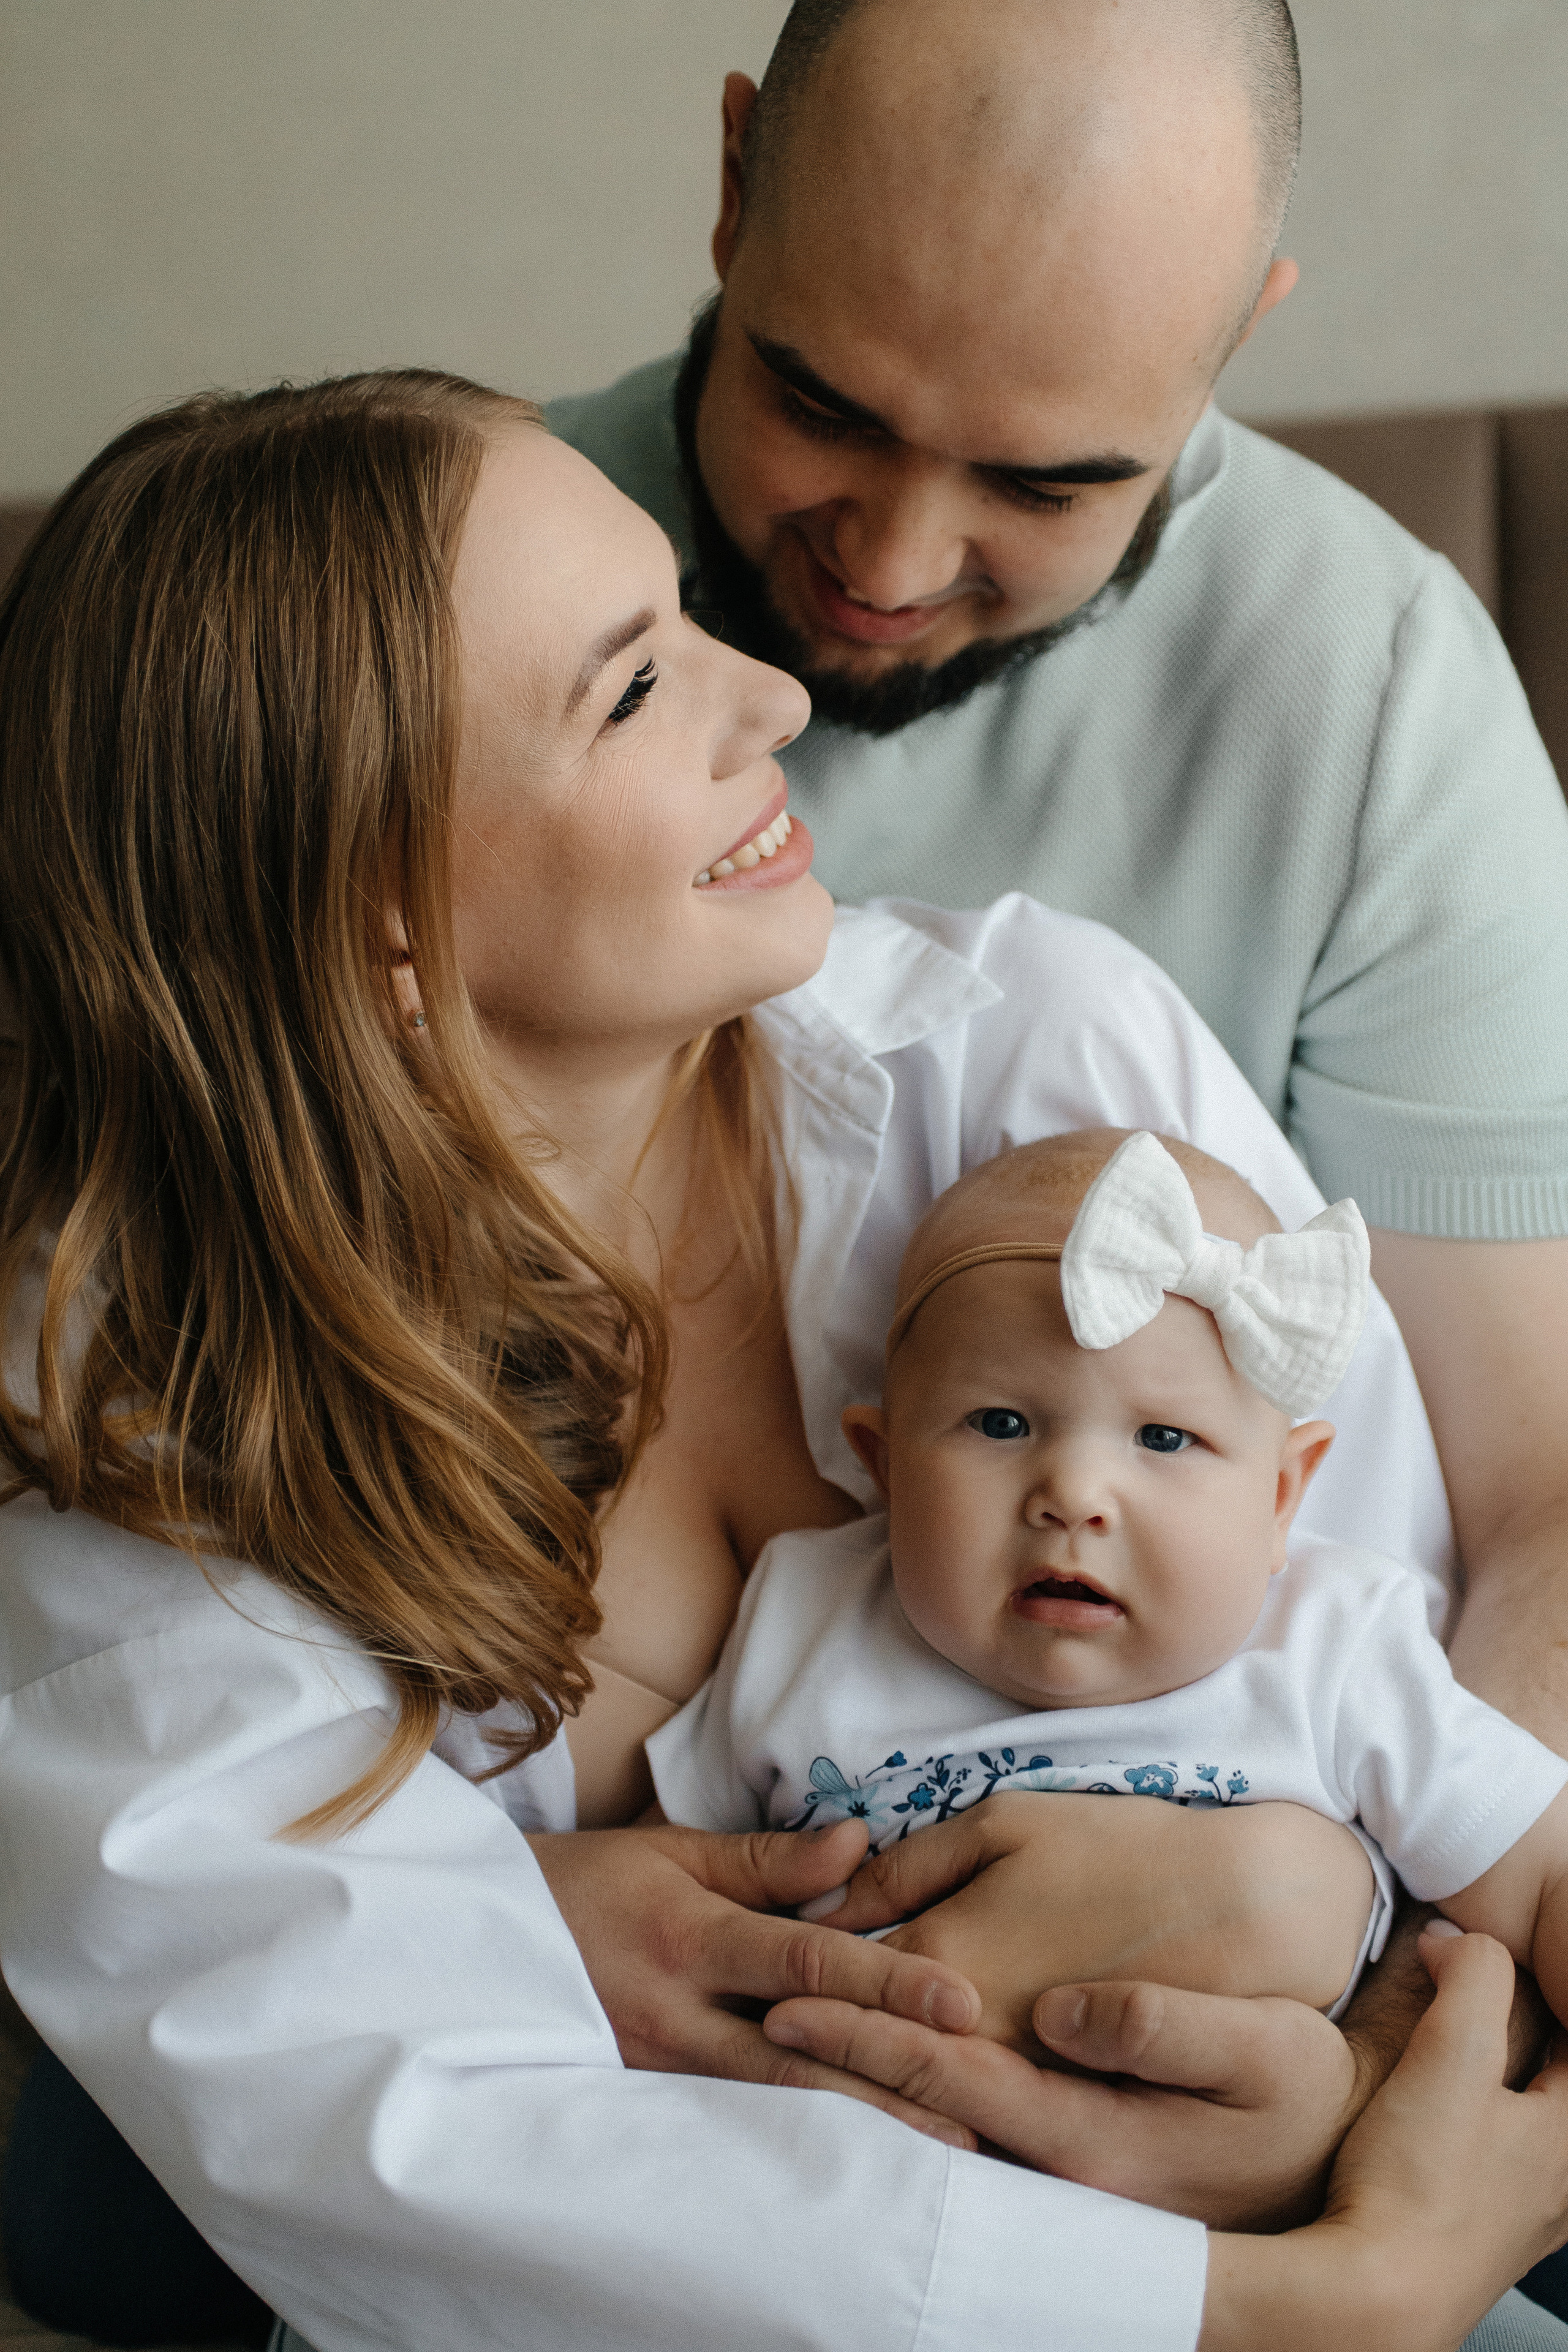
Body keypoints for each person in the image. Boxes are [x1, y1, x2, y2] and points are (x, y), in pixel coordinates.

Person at [1, 374, 1564, 2352]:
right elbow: (455, 2156)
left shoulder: (1028, 1071)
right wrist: (1279, 2312)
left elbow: (1395, 1696)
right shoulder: (139, 1467)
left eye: (680, 618)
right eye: (634, 691)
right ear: (385, 934)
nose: (772, 697)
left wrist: (1333, 2112)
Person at [546, 0, 1568, 1970]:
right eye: (824, 408)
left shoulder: (1378, 704)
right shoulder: (472, 613)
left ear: (1235, 338)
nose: (895, 561)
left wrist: (1360, 2015)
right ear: (738, 179)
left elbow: (1541, 1504)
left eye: (1043, 482)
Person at [650, 1129, 1568, 2055]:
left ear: (1282, 1497)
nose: (1076, 1496)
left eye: (1164, 1439)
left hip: (1204, 2173)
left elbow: (1543, 1880)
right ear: (886, 1469)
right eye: (1001, 1423)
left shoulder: (1337, 1649)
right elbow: (667, 1895)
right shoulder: (807, 1615)